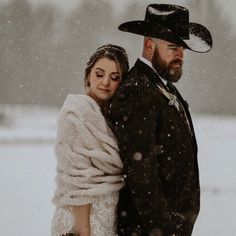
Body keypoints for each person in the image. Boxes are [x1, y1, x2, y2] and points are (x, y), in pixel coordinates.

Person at [109, 4, 213, 236]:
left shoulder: (162, 86)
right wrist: (162, 227)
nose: (180, 55)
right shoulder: (136, 90)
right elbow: (140, 171)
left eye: (183, 49)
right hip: (151, 230)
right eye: (173, 47)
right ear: (148, 45)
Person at [51, 44, 129, 236]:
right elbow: (76, 181)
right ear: (88, 76)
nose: (105, 82)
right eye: (99, 74)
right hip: (79, 222)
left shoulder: (115, 120)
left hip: (107, 219)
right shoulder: (76, 115)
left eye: (114, 77)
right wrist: (84, 230)